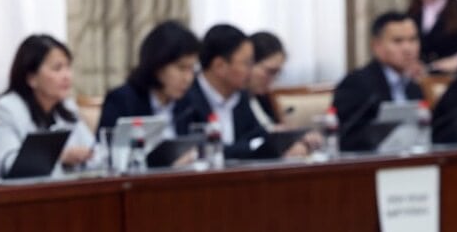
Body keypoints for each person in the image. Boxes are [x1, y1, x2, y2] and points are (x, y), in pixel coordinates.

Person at [176, 24, 304, 159]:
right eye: (247, 63)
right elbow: (202, 150)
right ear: (220, 66)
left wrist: (284, 142)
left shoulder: (239, 96)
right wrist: (250, 147)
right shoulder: (184, 99)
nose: (251, 71)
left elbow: (258, 135)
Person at [0, 34, 95, 178]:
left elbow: (96, 154)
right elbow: (6, 167)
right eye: (57, 68)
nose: (67, 76)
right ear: (31, 78)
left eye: (68, 67)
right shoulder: (5, 110)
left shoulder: (68, 108)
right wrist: (60, 156)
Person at [332, 11, 424, 150]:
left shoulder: (413, 87)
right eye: (398, 41)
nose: (408, 48)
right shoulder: (356, 84)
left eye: (413, 40)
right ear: (376, 46)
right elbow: (347, 138)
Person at [98, 20, 200, 131]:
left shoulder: (188, 103)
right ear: (158, 66)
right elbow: (105, 145)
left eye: (192, 69)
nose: (188, 78)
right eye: (182, 68)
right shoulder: (121, 101)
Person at [248, 31, 287, 127]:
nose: (273, 79)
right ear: (248, 65)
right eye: (270, 72)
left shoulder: (264, 98)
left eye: (277, 73)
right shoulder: (232, 103)